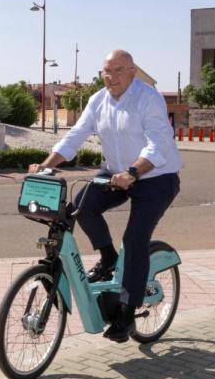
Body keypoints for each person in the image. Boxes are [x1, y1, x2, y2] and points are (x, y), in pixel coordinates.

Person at [29, 49, 182, 343]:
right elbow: (75, 135)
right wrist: (46, 165)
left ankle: (126, 313)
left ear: (133, 71)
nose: (111, 78)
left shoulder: (147, 98)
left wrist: (134, 172)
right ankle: (109, 257)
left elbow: (159, 143)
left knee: (135, 239)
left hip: (154, 178)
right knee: (81, 207)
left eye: (118, 71)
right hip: (115, 174)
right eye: (106, 71)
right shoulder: (98, 99)